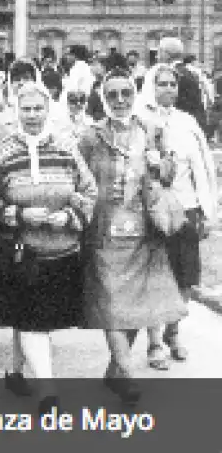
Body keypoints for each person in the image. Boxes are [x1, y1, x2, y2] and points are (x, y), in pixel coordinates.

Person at [0, 81, 97, 414]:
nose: (32, 115)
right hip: (20, 252)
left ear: (49, 110)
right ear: (16, 111)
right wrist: (17, 214)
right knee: (33, 320)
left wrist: (70, 214)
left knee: (34, 319)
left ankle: (16, 373)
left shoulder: (66, 146)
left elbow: (89, 190)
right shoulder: (1, 151)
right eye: (26, 108)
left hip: (61, 250)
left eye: (38, 108)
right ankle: (49, 391)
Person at [78, 68, 187, 405]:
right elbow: (76, 180)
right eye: (112, 95)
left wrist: (160, 165)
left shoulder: (152, 131)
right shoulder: (91, 137)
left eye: (126, 93)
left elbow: (171, 174)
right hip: (103, 234)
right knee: (111, 303)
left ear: (135, 94)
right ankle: (126, 371)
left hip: (145, 233)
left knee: (137, 305)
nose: (120, 100)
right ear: (102, 98)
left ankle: (114, 372)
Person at [139, 64, 217, 369]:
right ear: (151, 86)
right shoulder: (141, 121)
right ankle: (154, 341)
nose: (168, 89)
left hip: (186, 210)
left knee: (184, 280)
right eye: (162, 84)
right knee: (155, 278)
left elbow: (203, 167)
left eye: (173, 84)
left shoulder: (187, 122)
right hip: (155, 213)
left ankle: (174, 332)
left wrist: (205, 210)